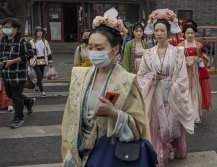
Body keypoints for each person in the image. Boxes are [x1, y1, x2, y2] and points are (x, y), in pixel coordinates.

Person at [61, 15, 150, 167]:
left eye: (99, 48)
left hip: (107, 155)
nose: (93, 52)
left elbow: (139, 127)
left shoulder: (126, 81)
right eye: (90, 47)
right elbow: (68, 118)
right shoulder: (79, 76)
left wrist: (114, 113)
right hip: (76, 153)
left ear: (115, 49)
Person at [137, 9, 194, 167]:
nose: (159, 33)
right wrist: (151, 78)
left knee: (173, 121)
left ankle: (174, 146)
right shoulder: (148, 53)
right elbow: (141, 74)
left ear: (168, 32)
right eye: (157, 30)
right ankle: (160, 152)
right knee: (157, 123)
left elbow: (182, 75)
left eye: (162, 30)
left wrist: (175, 87)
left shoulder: (177, 53)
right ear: (153, 33)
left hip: (172, 91)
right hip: (155, 91)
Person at [0, 17, 35, 129]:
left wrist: (13, 61)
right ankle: (28, 101)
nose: (6, 29)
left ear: (16, 28)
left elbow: (30, 54)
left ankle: (18, 118)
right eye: (4, 27)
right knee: (10, 94)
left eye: (8, 27)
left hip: (19, 73)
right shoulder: (2, 39)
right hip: (6, 73)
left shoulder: (22, 41)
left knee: (15, 97)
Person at [178, 23, 203, 123]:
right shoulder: (180, 46)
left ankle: (195, 114)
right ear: (184, 34)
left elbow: (203, 58)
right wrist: (188, 63)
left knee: (194, 92)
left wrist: (200, 60)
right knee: (185, 92)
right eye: (187, 33)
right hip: (184, 72)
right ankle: (185, 114)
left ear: (195, 34)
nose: (190, 35)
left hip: (195, 72)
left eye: (192, 33)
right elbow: (178, 60)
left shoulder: (198, 45)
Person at [30, 26, 53, 97]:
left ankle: (37, 85)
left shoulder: (45, 41)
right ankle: (42, 91)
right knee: (39, 75)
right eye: (38, 31)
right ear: (35, 33)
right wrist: (29, 61)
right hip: (35, 61)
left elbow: (49, 51)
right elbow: (29, 52)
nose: (40, 33)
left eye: (41, 31)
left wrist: (50, 61)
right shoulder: (32, 41)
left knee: (40, 76)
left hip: (43, 60)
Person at [0, 22, 14, 112]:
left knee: (6, 86)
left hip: (6, 64)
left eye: (1, 28)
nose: (0, 30)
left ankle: (9, 103)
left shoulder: (7, 39)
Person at [199, 47, 212, 111]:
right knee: (204, 91)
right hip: (205, 76)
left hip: (201, 76)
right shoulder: (205, 57)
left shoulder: (200, 58)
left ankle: (202, 104)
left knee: (201, 91)